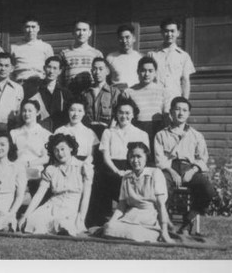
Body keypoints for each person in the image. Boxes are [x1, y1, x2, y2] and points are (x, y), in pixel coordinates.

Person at [154, 96, 215, 234]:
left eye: (184, 110)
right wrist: (172, 171)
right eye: (177, 109)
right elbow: (160, 159)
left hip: (189, 169)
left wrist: (193, 171)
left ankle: (189, 219)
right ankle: (165, 222)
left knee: (208, 189)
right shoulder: (161, 135)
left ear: (188, 114)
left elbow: (202, 157)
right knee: (161, 187)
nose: (180, 113)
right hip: (169, 169)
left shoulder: (196, 135)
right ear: (171, 112)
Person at [87, 98, 149, 227]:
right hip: (111, 167)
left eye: (127, 113)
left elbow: (142, 159)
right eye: (121, 112)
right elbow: (106, 156)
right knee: (99, 178)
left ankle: (130, 218)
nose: (124, 116)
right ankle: (98, 221)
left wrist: (130, 171)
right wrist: (116, 171)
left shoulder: (141, 134)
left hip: (133, 166)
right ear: (116, 114)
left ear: (133, 115)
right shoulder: (108, 132)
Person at [18, 133, 92, 236]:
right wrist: (26, 215)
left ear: (70, 148)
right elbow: (39, 194)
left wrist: (81, 219)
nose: (60, 153)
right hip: (51, 206)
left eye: (62, 149)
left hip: (70, 208)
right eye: (56, 150)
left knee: (63, 224)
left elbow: (86, 196)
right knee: (32, 221)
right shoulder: (51, 169)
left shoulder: (83, 167)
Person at [102, 142, 173, 243]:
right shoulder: (126, 177)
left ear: (146, 158)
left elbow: (161, 205)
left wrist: (164, 231)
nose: (135, 160)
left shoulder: (155, 173)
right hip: (129, 217)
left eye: (139, 156)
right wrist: (111, 222)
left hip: (149, 218)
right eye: (132, 157)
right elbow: (121, 206)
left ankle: (150, 234)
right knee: (109, 228)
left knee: (135, 234)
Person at [123, 56, 169, 155]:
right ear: (138, 72)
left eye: (150, 71)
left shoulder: (163, 91)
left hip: (157, 128)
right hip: (137, 128)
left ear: (155, 72)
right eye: (143, 70)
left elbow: (166, 114)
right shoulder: (129, 92)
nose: (146, 74)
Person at [149, 18, 195, 104]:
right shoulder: (152, 55)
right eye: (166, 31)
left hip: (174, 101)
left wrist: (184, 102)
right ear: (162, 33)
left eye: (172, 31)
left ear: (178, 33)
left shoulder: (184, 56)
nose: (169, 34)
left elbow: (185, 81)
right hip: (154, 100)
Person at [10, 16, 54, 98]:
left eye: (33, 27)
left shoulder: (46, 47)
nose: (30, 30)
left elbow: (52, 68)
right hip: (20, 85)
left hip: (40, 85)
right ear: (23, 28)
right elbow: (10, 71)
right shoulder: (14, 48)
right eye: (27, 27)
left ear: (38, 28)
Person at [10, 100, 52, 181]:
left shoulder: (45, 134)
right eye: (24, 111)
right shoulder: (14, 133)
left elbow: (46, 158)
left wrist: (27, 164)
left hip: (36, 171)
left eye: (30, 111)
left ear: (37, 112)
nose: (26, 114)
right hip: (16, 169)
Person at [29, 56, 73, 132]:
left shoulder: (65, 93)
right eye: (49, 67)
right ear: (44, 68)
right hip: (40, 131)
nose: (51, 71)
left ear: (60, 71)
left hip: (60, 131)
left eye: (55, 68)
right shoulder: (35, 90)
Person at [60, 20, 103, 96]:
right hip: (70, 94)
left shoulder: (97, 54)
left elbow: (102, 77)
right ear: (73, 32)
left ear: (90, 33)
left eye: (84, 30)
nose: (81, 33)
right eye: (78, 30)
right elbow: (59, 77)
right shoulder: (64, 53)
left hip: (91, 94)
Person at [81, 57, 121, 139]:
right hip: (88, 133)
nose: (97, 72)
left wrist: (110, 132)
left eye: (101, 69)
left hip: (108, 132)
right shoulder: (85, 93)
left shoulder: (114, 92)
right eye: (95, 69)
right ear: (92, 71)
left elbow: (117, 114)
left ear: (107, 71)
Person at [54, 101, 99, 166]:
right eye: (72, 110)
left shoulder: (90, 133)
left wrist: (84, 164)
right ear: (68, 111)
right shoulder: (60, 131)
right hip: (64, 166)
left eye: (80, 111)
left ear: (84, 113)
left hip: (85, 165)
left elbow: (91, 155)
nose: (76, 114)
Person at [106, 24, 142, 91]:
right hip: (117, 95)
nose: (124, 41)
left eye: (127, 37)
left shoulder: (140, 57)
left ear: (134, 38)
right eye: (121, 38)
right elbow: (106, 81)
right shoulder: (110, 58)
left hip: (135, 94)